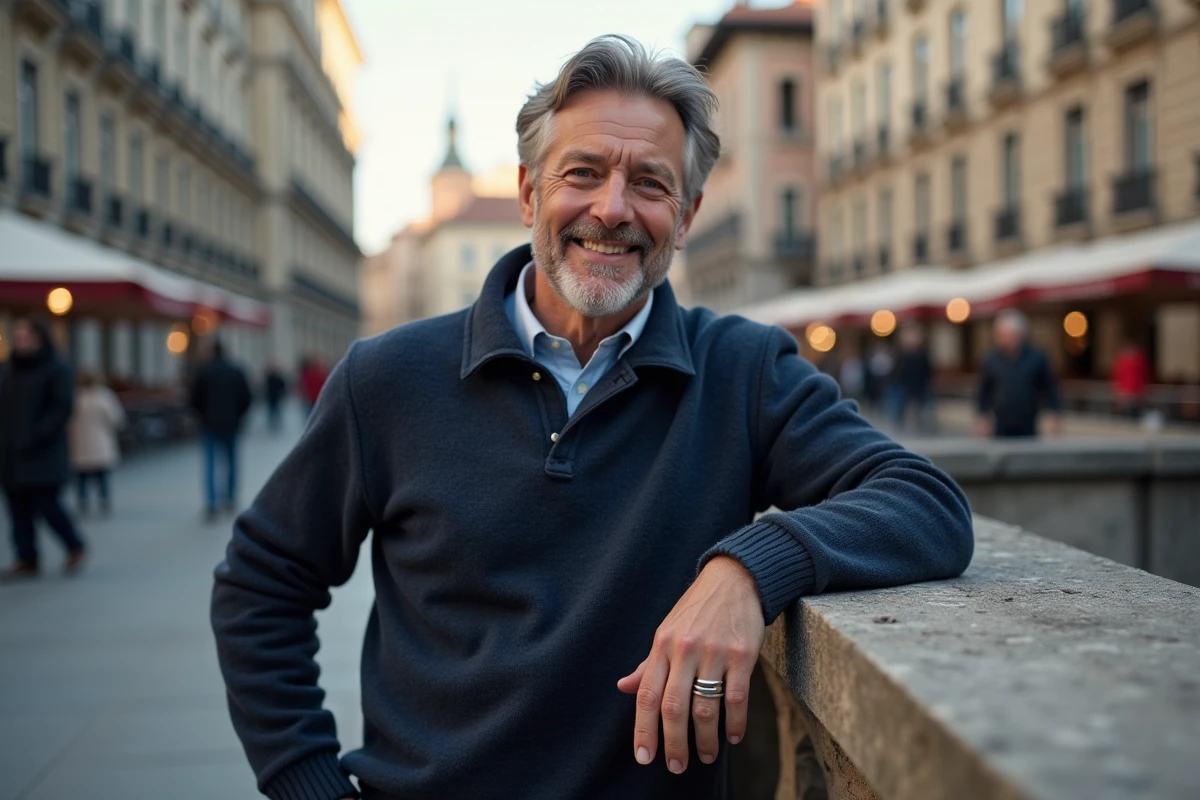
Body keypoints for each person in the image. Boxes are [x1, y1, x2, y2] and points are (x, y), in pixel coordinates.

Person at [211, 36, 973, 800]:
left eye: (650, 182)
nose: (612, 209)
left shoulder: (741, 370)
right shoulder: (386, 378)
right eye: (582, 173)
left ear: (688, 215)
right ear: (528, 193)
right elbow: (262, 581)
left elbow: (927, 502)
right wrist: (307, 782)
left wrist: (747, 569)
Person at [0, 318, 87, 577]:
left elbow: (62, 407)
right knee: (17, 508)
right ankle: (27, 557)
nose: (19, 340)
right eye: (17, 335)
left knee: (46, 503)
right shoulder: (10, 368)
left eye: (24, 335)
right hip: (11, 452)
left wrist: (39, 433)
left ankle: (74, 544)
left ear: (38, 337)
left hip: (42, 452)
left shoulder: (56, 367)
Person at [189, 340, 252, 522]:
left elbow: (194, 399)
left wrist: (202, 415)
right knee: (231, 462)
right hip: (232, 423)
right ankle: (230, 499)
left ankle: (211, 502)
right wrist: (239, 416)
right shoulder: (236, 370)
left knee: (210, 463)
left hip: (209, 424)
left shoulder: (203, 371)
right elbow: (247, 397)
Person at [976, 309, 1063, 438]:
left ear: (1020, 334)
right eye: (1002, 334)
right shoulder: (992, 359)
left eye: (1009, 334)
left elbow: (1050, 387)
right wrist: (982, 416)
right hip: (1001, 422)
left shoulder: (1036, 357)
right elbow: (984, 390)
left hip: (1028, 421)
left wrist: (1055, 413)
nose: (1005, 339)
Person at [69, 371, 126, 515]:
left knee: (81, 477)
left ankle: (83, 502)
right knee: (102, 475)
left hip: (79, 443)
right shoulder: (104, 397)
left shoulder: (74, 396)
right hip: (100, 441)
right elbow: (116, 419)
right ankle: (104, 501)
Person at [893, 325, 934, 433]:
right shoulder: (902, 354)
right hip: (907, 385)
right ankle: (907, 424)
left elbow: (927, 370)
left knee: (923, 407)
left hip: (921, 385)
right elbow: (898, 371)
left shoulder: (922, 353)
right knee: (906, 406)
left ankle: (923, 425)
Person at [1111, 339, 1150, 420]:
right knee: (1127, 416)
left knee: (1134, 415)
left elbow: (1143, 377)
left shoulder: (1140, 362)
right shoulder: (1123, 362)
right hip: (1126, 394)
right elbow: (1118, 377)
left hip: (1136, 394)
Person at [263, 360, 288, 434]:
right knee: (271, 413)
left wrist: (281, 393)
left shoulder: (278, 376)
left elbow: (283, 386)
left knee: (277, 412)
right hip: (270, 398)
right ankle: (272, 426)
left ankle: (277, 426)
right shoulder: (268, 376)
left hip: (277, 397)